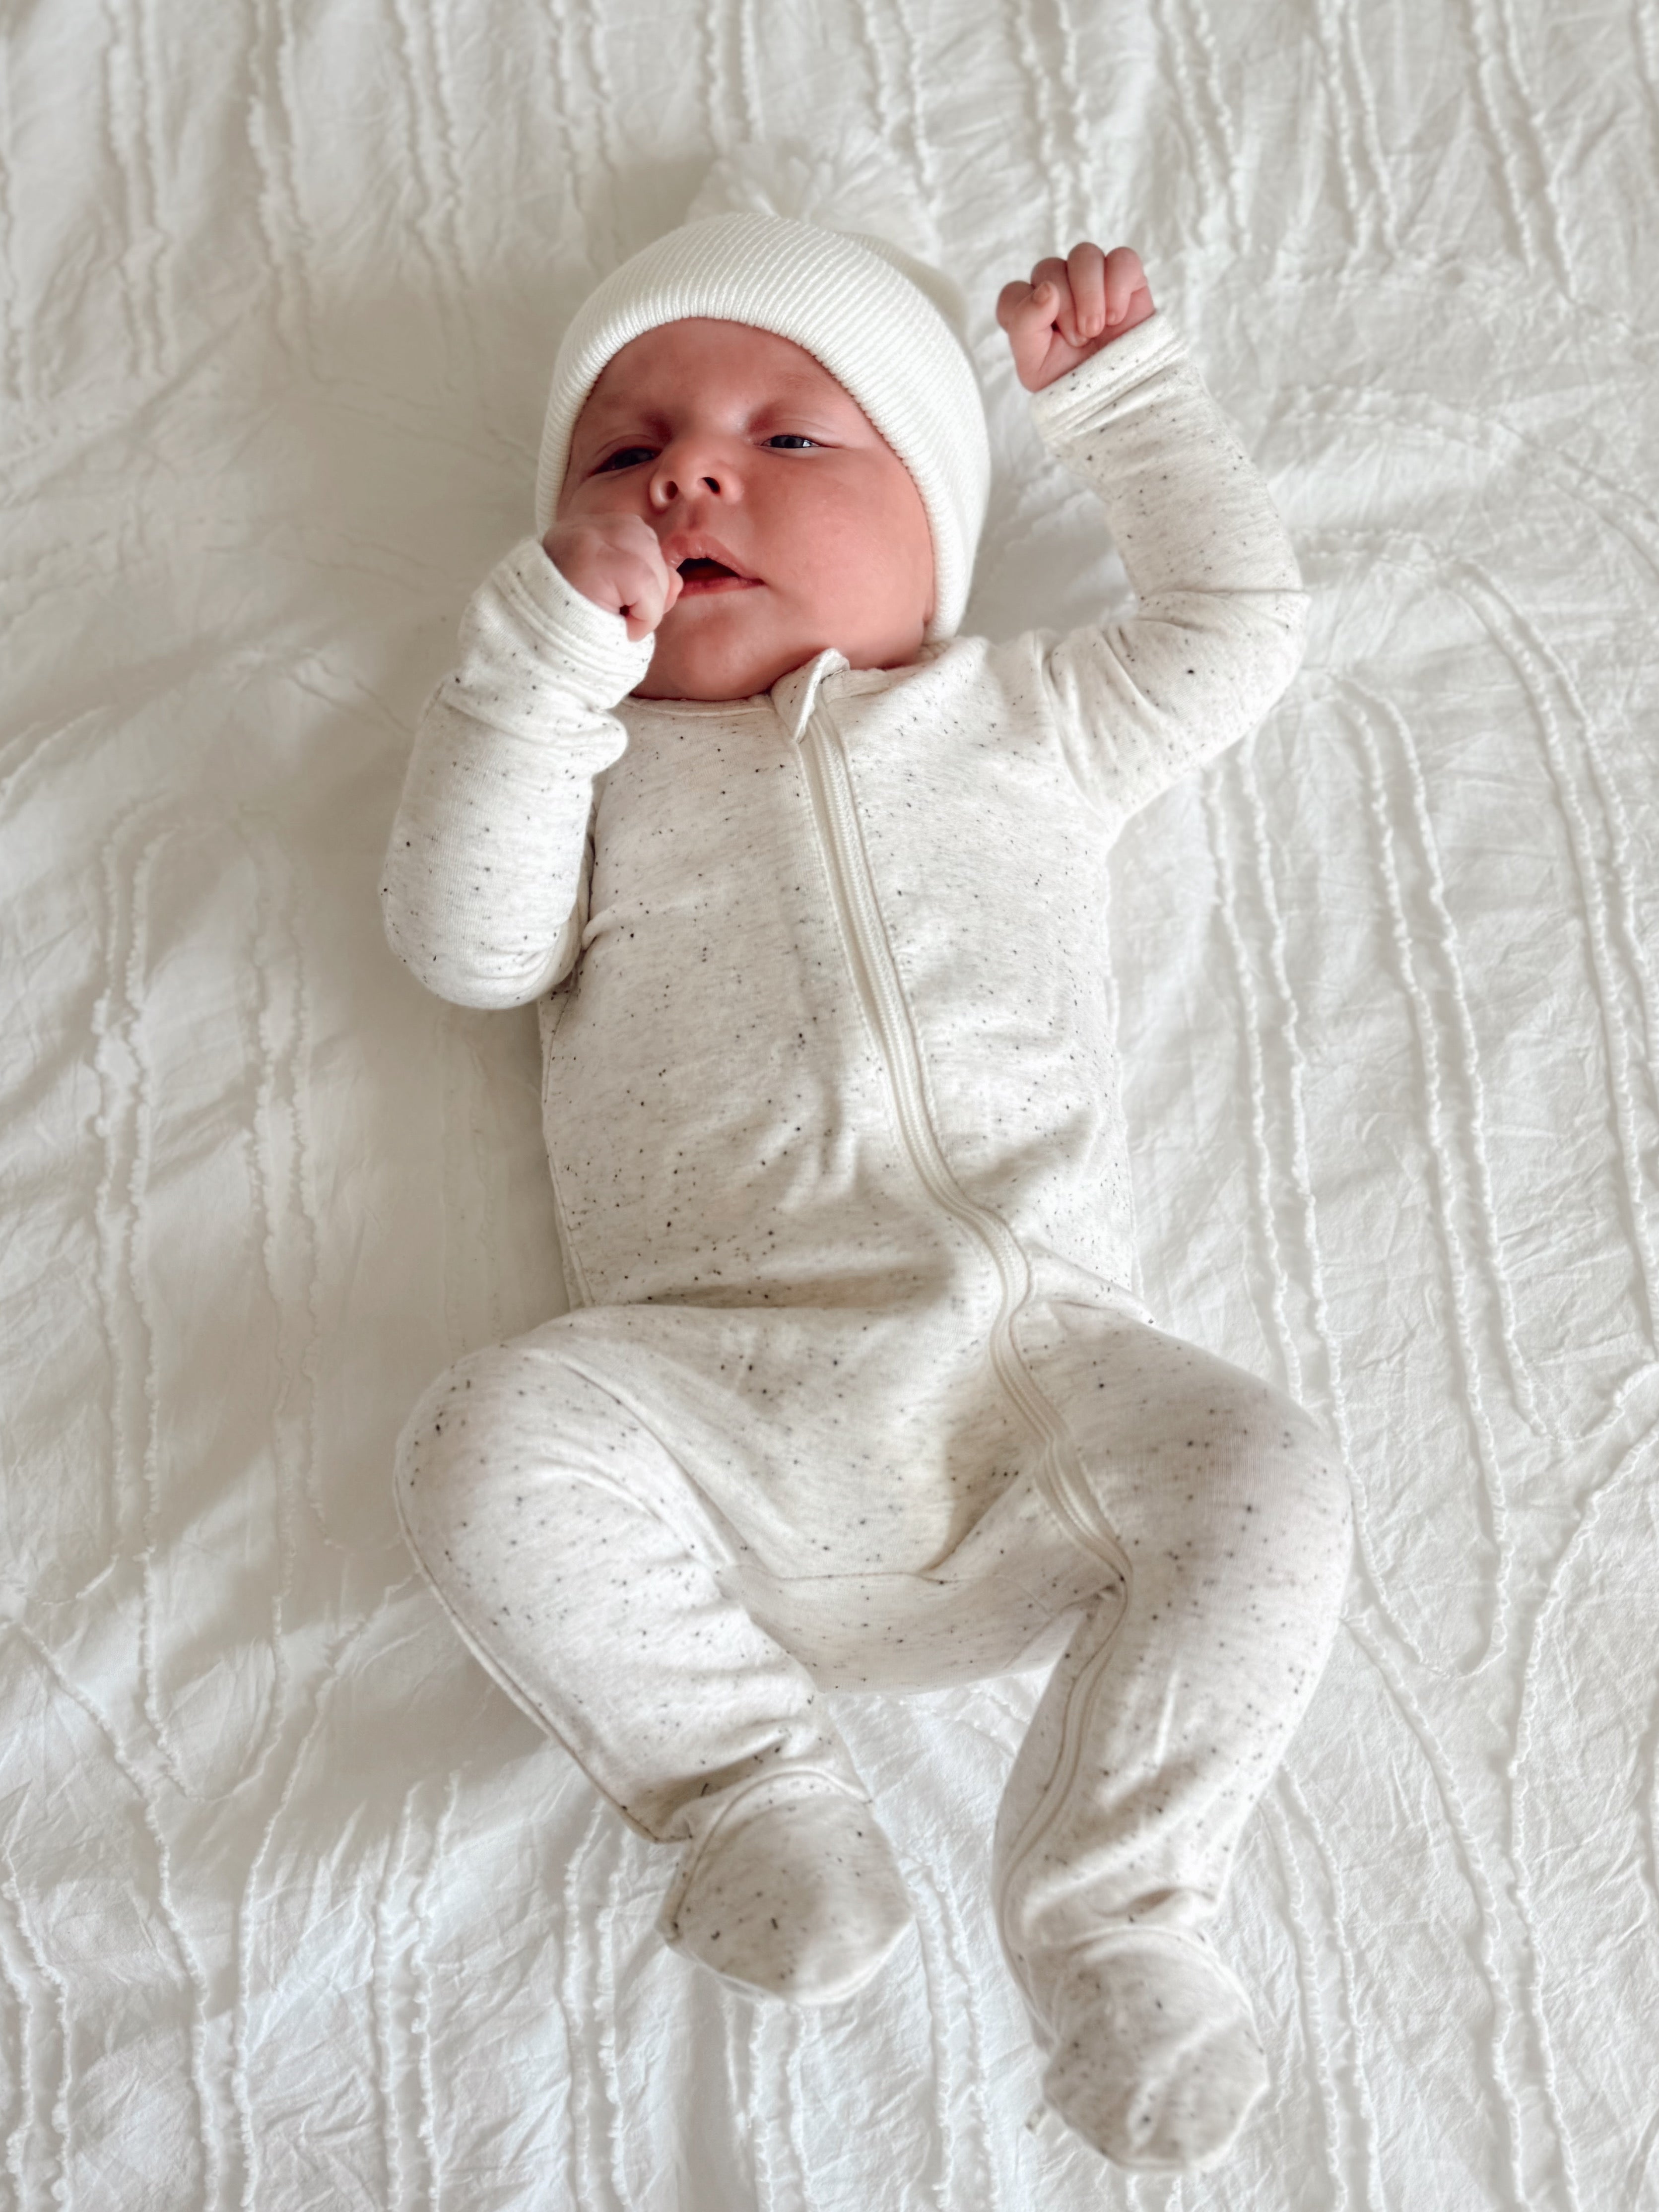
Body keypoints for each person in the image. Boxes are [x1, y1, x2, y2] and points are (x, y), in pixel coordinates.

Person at [380, 195, 1351, 2175]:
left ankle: (1118, 1919)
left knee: (1268, 1474)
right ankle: (752, 1793)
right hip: (718, 1400)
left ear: (934, 530)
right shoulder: (590, 772)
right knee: (484, 1437)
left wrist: (1123, 403)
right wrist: (543, 670)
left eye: (787, 436)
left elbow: (1236, 631)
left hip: (1038, 1394)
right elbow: (464, 945)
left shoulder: (1025, 721)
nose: (686, 477)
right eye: (622, 455)